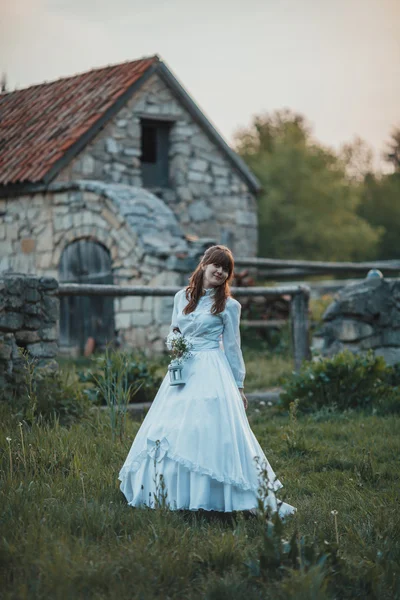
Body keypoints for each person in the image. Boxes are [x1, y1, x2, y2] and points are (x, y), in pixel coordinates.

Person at [118, 245, 296, 517]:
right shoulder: (182, 297)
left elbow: (234, 348)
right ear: (204, 263)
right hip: (182, 370)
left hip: (212, 367)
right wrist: (175, 345)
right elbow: (174, 330)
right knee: (173, 427)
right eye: (217, 265)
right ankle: (173, 493)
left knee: (207, 427)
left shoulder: (229, 306)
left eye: (226, 269)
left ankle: (216, 494)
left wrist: (239, 385)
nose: (221, 271)